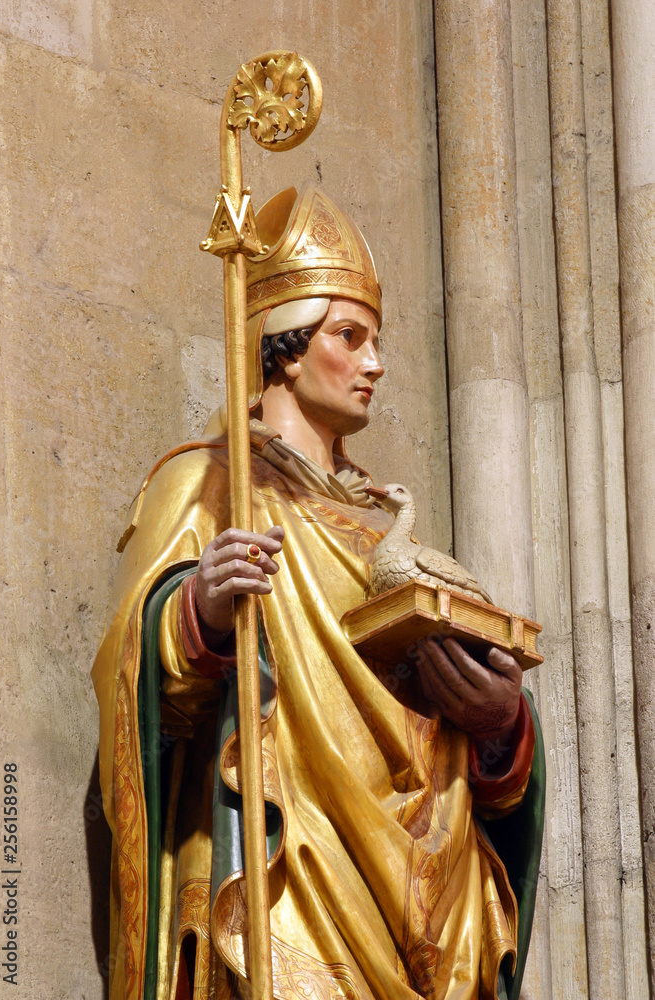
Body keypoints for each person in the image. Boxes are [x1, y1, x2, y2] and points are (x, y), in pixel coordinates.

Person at [92, 183, 537, 1000]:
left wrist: (500, 727)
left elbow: (466, 761)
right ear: (284, 349)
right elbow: (135, 684)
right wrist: (199, 618)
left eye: (376, 341)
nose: (375, 364)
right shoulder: (207, 487)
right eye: (349, 337)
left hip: (428, 900)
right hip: (281, 878)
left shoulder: (389, 532)